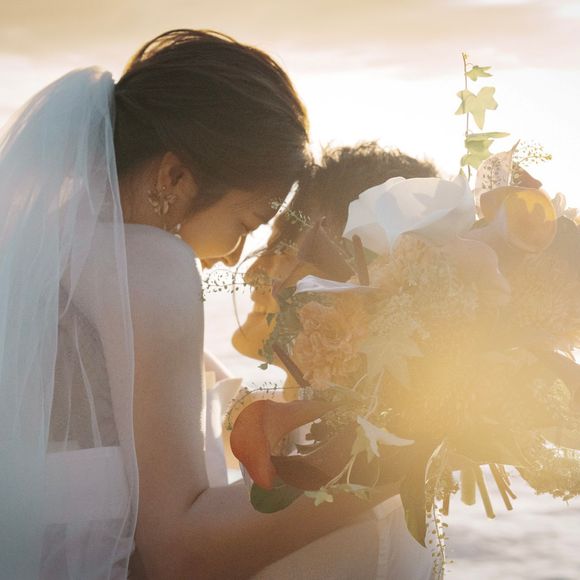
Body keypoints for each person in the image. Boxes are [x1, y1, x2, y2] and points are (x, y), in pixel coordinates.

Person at [0, 30, 404, 580]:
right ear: (173, 177)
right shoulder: (155, 262)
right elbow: (177, 552)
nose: (234, 257)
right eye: (245, 223)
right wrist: (399, 453)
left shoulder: (51, 257)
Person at [232, 143, 438, 578]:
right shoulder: (322, 438)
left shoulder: (351, 471)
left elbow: (182, 558)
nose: (252, 272)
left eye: (285, 247)